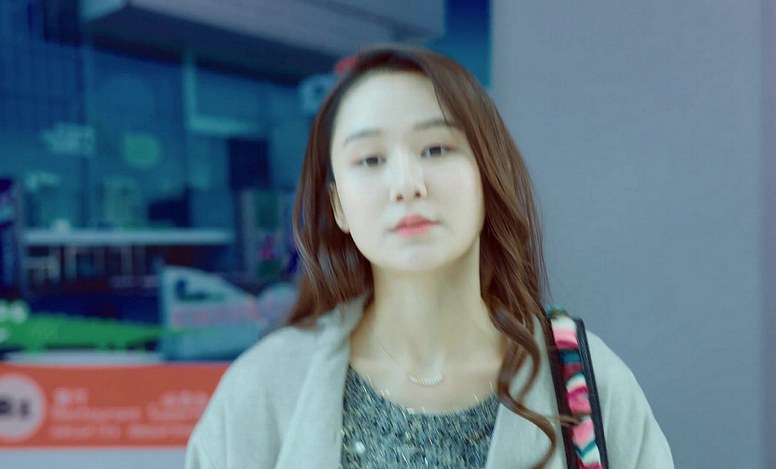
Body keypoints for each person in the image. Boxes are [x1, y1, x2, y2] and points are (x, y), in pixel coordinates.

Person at [186, 45, 674, 468]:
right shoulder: (261, 390)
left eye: (436, 148)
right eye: (370, 159)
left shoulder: (587, 382)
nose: (406, 185)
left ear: (487, 175)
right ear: (338, 206)